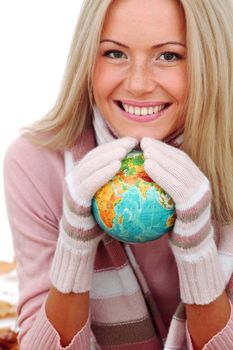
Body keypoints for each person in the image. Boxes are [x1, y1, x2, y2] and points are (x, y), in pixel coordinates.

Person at [3, 0, 233, 349]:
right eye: (114, 53)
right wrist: (74, 246)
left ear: (210, 61)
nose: (139, 84)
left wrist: (198, 256)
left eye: (169, 55)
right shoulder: (36, 163)